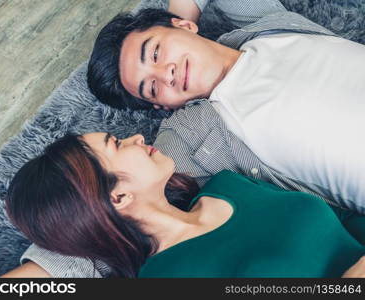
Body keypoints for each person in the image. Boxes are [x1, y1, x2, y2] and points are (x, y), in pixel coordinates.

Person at [87, 0, 365, 215]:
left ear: (184, 26)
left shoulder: (264, 25)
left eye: (157, 53)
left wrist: (181, 14)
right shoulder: (192, 134)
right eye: (151, 87)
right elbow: (107, 207)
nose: (166, 73)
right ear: (161, 105)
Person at [4, 132, 365, 278]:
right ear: (117, 197)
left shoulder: (230, 183)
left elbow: (346, 220)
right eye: (117, 143)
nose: (137, 136)